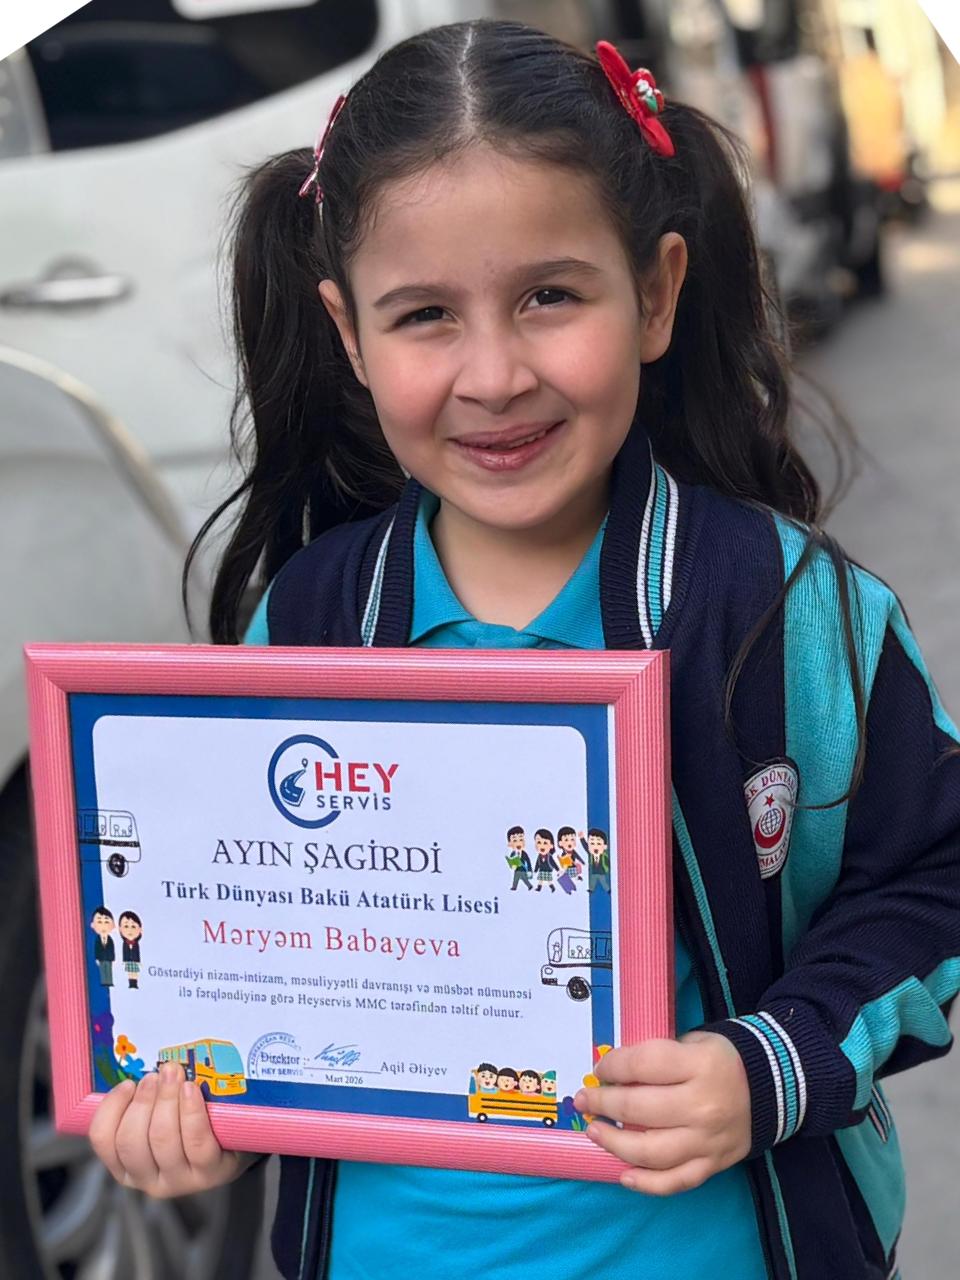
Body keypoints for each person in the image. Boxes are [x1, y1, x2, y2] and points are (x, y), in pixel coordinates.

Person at [88, 20, 960, 1280]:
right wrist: (198, 1102)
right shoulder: (313, 619)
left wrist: (768, 1064)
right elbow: (240, 971)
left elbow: (933, 872)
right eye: (424, 315)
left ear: (655, 292)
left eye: (550, 295)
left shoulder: (784, 610)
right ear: (349, 334)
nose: (494, 374)